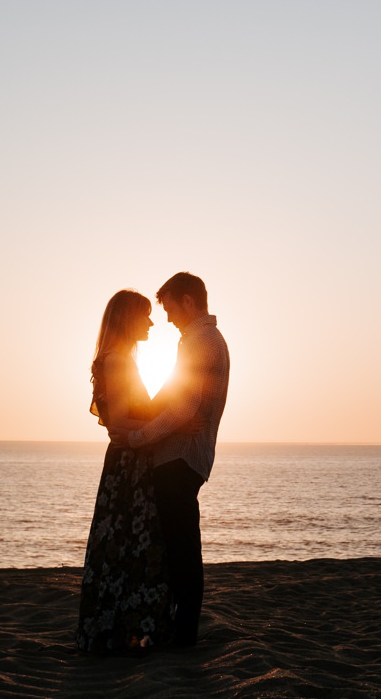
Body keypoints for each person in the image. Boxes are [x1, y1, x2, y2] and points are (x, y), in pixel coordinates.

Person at [123, 271, 230, 647]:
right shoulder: (198, 341)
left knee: (182, 547)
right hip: (181, 458)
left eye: (169, 308)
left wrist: (138, 437)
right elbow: (174, 400)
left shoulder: (202, 342)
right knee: (177, 545)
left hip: (181, 460)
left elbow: (185, 408)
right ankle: (178, 627)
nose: (166, 318)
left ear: (188, 301)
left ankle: (185, 635)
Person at [74, 289, 175, 654]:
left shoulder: (114, 359)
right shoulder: (118, 361)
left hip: (127, 460)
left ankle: (119, 628)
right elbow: (118, 421)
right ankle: (122, 630)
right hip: (128, 464)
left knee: (122, 546)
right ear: (127, 319)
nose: (150, 322)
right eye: (144, 315)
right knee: (131, 544)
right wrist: (172, 424)